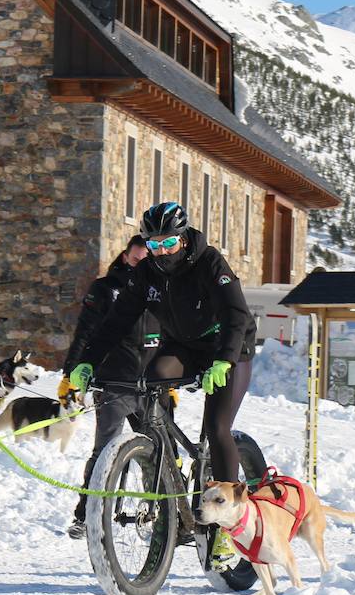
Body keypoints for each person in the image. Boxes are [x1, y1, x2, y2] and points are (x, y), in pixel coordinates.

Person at [67, 201, 256, 565]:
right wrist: (87, 361)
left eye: (168, 243)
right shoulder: (147, 272)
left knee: (217, 429)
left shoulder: (209, 262)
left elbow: (237, 314)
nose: (162, 251)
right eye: (154, 244)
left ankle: (225, 529)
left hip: (228, 347)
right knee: (149, 382)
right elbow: (117, 320)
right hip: (183, 346)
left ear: (183, 239)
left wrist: (224, 359)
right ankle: (163, 463)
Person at [60, 235, 158, 538]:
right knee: (105, 451)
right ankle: (87, 515)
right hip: (114, 380)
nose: (140, 263)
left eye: (146, 259)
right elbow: (86, 332)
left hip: (154, 382)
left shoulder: (163, 289)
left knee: (159, 451)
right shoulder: (106, 289)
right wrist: (70, 373)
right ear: (126, 256)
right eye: (135, 258)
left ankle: (160, 513)